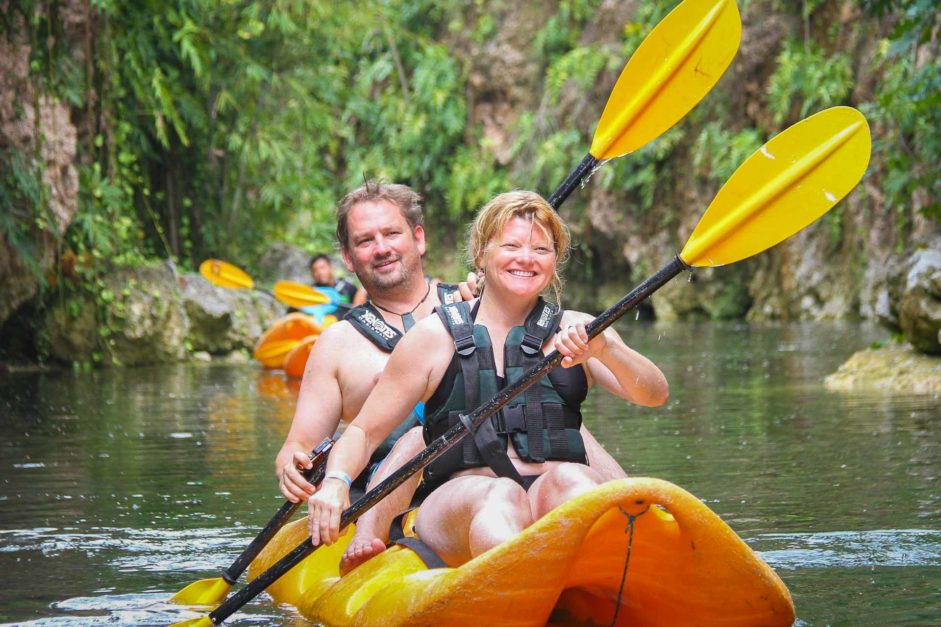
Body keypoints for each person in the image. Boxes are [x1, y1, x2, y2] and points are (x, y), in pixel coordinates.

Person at [276, 183, 629, 571]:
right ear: (347, 255)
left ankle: (630, 513)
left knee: (559, 416)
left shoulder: (472, 299)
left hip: (510, 462)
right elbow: (302, 445)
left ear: (419, 238)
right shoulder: (336, 343)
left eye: (392, 234)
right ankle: (369, 534)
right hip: (407, 486)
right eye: (365, 240)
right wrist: (295, 469)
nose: (382, 248)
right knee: (417, 435)